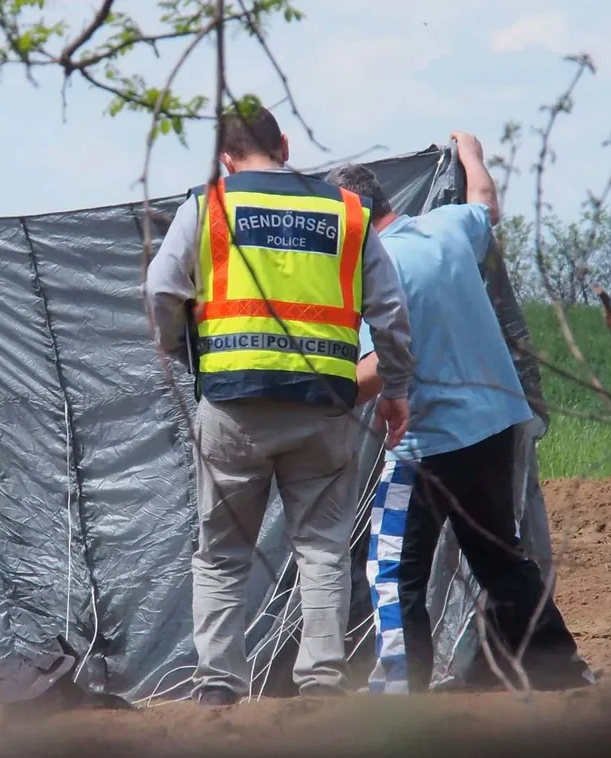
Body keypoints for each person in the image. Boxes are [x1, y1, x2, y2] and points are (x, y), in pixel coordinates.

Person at [144, 105, 414, 706]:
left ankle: (219, 688)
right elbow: (391, 312)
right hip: (324, 406)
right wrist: (395, 388)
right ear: (285, 145)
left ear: (226, 159)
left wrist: (184, 352)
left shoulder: (208, 206)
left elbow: (161, 287)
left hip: (233, 404)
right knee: (321, 548)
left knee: (222, 554)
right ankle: (321, 683)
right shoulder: (349, 212)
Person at [328, 132, 594, 695]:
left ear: (351, 218)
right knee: (500, 556)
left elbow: (377, 367)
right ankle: (563, 672)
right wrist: (471, 150)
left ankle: (401, 688)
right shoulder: (446, 227)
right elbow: (486, 204)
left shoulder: (375, 269)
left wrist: (319, 400)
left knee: (393, 566)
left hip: (429, 444)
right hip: (496, 425)